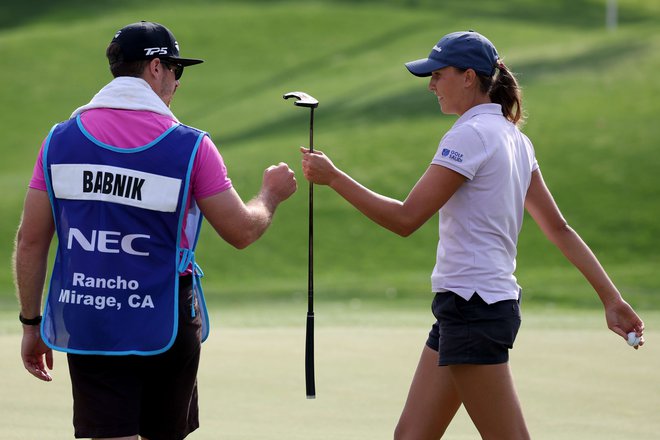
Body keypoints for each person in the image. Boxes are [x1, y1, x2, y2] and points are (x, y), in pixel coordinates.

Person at [300, 30, 644, 439]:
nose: (430, 85)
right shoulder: (516, 139)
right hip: (468, 306)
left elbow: (406, 219)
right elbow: (559, 228)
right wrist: (612, 298)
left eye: (437, 75)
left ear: (468, 77)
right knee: (410, 436)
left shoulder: (470, 134)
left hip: (473, 307)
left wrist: (334, 178)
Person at [14, 21, 297, 440]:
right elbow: (241, 231)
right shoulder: (191, 145)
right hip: (165, 318)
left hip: (91, 316)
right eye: (176, 70)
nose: (177, 83)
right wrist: (269, 195)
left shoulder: (59, 140)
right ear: (155, 68)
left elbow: (31, 240)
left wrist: (31, 325)